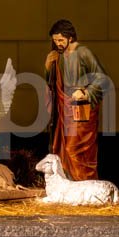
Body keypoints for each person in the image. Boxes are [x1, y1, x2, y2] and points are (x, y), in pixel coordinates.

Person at [44, 18, 108, 182]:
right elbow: (53, 84)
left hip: (80, 110)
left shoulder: (83, 52)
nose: (57, 43)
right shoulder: (58, 56)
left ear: (70, 37)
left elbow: (102, 79)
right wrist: (48, 67)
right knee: (63, 150)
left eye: (60, 40)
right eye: (55, 40)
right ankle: (69, 186)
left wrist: (85, 92)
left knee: (75, 149)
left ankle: (84, 185)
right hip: (63, 111)